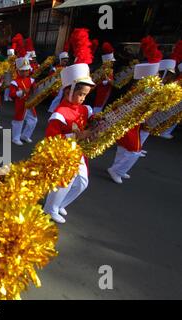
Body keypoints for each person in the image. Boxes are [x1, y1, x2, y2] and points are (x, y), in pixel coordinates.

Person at [43, 28, 95, 224]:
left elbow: (89, 119)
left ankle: (60, 204)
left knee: (82, 182)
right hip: (63, 153)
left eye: (85, 95)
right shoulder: (59, 114)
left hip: (78, 152)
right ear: (68, 91)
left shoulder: (84, 109)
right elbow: (51, 139)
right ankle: (50, 208)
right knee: (63, 182)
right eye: (80, 94)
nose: (82, 99)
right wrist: (77, 137)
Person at [107, 51, 161, 184]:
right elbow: (138, 104)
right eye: (155, 75)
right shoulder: (142, 90)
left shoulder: (144, 89)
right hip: (129, 122)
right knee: (134, 150)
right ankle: (117, 170)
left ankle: (117, 168)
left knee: (124, 147)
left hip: (132, 123)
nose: (158, 77)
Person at [9, 34, 37, 146]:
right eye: (23, 70)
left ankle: (25, 135)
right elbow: (12, 94)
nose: (25, 72)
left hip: (30, 103)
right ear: (18, 71)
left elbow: (36, 89)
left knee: (34, 120)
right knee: (18, 121)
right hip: (20, 103)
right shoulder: (14, 82)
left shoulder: (31, 79)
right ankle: (15, 137)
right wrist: (21, 92)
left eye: (26, 70)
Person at [92, 42, 115, 114]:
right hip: (100, 94)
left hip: (107, 93)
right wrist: (106, 81)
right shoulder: (101, 70)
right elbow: (95, 82)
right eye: (111, 62)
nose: (112, 63)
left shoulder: (111, 70)